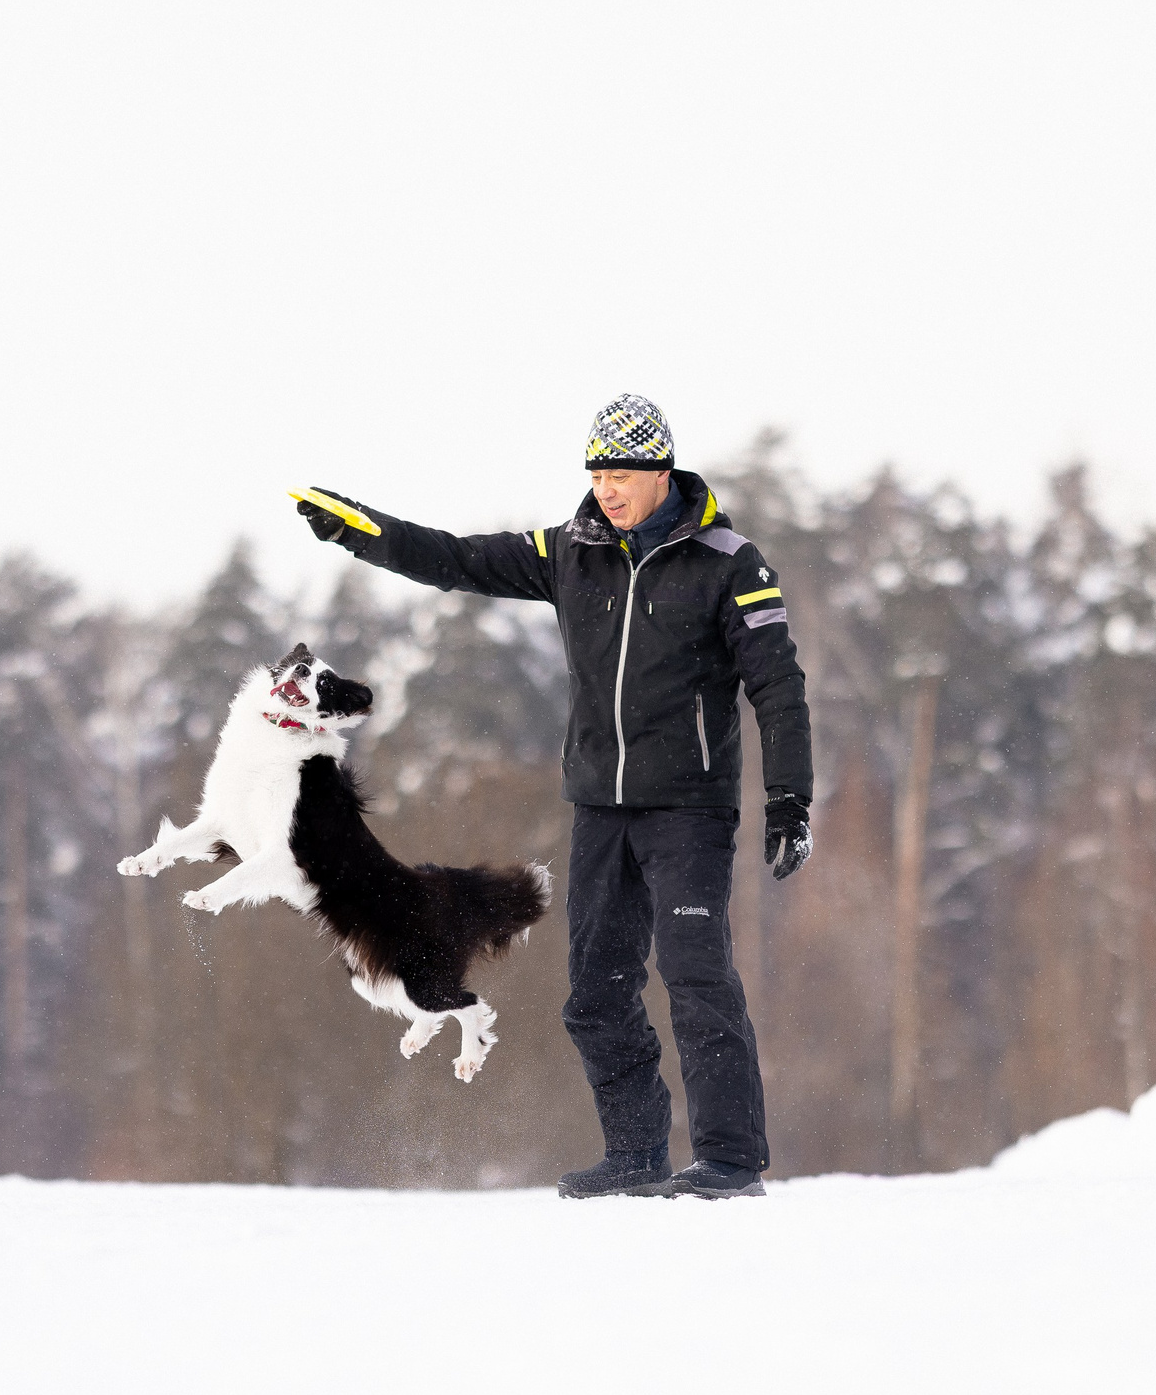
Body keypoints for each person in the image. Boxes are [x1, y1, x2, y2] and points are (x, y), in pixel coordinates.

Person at [296, 394, 813, 1198]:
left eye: (623, 473)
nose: (607, 489)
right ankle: (637, 1155)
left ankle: (730, 1160)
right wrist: (364, 533)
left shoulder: (728, 561)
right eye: (598, 473)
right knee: (597, 987)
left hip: (689, 809)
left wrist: (790, 797)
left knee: (695, 975)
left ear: (662, 472)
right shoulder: (569, 551)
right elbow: (458, 559)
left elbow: (777, 684)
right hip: (600, 808)